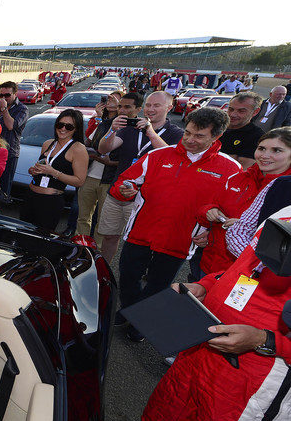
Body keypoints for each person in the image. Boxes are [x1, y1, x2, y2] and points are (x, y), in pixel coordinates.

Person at [106, 205, 291, 421]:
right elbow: (248, 266)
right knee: (171, 408)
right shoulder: (286, 212)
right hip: (205, 339)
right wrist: (206, 285)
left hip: (259, 369)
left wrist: (262, 339)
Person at [108, 107, 240, 342]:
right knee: (128, 276)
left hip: (179, 240)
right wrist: (126, 190)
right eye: (188, 132)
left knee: (158, 285)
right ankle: (131, 309)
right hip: (140, 232)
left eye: (199, 136)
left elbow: (231, 212)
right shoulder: (158, 155)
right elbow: (123, 183)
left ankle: (141, 320)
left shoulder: (230, 169)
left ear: (216, 137)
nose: (190, 139)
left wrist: (211, 230)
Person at [96, 91, 182, 265]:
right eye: (149, 105)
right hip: (118, 194)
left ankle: (136, 274)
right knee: (109, 236)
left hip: (146, 200)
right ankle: (103, 271)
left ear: (169, 108)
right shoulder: (130, 128)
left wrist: (150, 132)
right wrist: (112, 131)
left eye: (156, 105)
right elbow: (104, 149)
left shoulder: (175, 133)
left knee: (137, 244)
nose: (151, 109)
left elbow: (173, 159)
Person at [194, 128, 291, 276]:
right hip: (210, 263)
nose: (265, 155)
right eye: (261, 148)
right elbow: (206, 207)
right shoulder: (238, 178)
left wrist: (245, 228)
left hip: (249, 274)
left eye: (276, 150)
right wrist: (210, 211)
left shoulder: (284, 191)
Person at [22, 109, 89, 230]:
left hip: (50, 202)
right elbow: (40, 167)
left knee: (40, 241)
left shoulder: (78, 149)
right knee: (21, 234)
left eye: (68, 126)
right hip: (30, 196)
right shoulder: (48, 144)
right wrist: (33, 170)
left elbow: (79, 181)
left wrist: (53, 172)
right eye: (60, 124)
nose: (63, 129)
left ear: (76, 129)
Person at [77, 95, 120, 237]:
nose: (110, 103)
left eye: (116, 102)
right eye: (108, 101)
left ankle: (97, 251)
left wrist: (101, 158)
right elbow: (87, 143)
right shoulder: (102, 124)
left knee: (102, 221)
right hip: (90, 176)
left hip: (109, 180)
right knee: (83, 217)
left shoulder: (127, 128)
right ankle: (81, 245)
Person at [0, 81, 28, 195]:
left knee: (3, 187)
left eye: (7, 95)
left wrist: (4, 109)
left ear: (15, 94)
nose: (4, 98)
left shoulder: (21, 109)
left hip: (9, 153)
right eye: (1, 95)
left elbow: (10, 126)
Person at [218, 93, 264, 169]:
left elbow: (239, 168)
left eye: (241, 111)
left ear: (255, 112)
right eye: (231, 109)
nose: (233, 114)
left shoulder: (256, 136)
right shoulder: (216, 126)